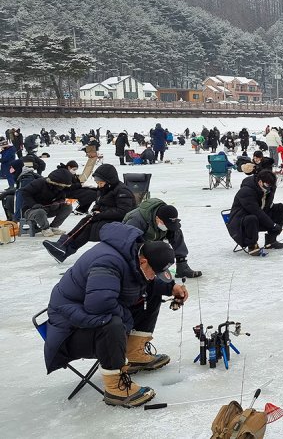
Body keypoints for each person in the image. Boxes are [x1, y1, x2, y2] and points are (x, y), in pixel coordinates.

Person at [44, 223, 187, 407]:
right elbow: (98, 305)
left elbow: (142, 282)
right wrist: (126, 319)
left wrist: (170, 287)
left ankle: (133, 353)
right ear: (143, 261)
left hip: (87, 314)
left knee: (150, 295)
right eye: (155, 272)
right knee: (112, 323)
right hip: (68, 331)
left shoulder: (133, 255)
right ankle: (116, 388)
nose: (155, 276)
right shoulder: (107, 262)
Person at [43, 164, 136, 262]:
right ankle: (62, 245)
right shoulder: (104, 189)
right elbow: (98, 203)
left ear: (109, 181)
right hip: (107, 217)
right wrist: (95, 210)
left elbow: (123, 211)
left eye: (101, 183)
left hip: (121, 221)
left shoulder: (122, 191)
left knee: (89, 228)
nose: (99, 185)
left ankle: (64, 251)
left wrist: (101, 214)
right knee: (85, 220)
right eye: (98, 183)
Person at [123, 198, 202, 278]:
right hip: (135, 242)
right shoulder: (136, 220)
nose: (167, 227)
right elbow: (128, 243)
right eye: (165, 224)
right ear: (157, 218)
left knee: (176, 232)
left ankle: (182, 267)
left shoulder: (165, 215)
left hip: (153, 237)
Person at [225, 170, 283, 255]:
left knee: (279, 212)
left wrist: (280, 207)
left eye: (271, 185)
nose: (270, 187)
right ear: (260, 182)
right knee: (252, 218)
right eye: (268, 185)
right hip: (241, 224)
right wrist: (272, 225)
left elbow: (266, 207)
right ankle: (252, 246)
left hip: (257, 219)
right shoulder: (246, 192)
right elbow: (257, 211)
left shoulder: (267, 189)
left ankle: (271, 241)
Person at [20, 167, 73, 237]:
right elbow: (25, 192)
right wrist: (33, 204)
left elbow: (62, 199)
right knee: (40, 212)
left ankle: (54, 227)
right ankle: (45, 228)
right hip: (31, 210)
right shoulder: (39, 183)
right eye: (60, 185)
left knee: (68, 207)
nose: (61, 188)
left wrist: (57, 203)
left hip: (49, 208)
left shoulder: (62, 188)